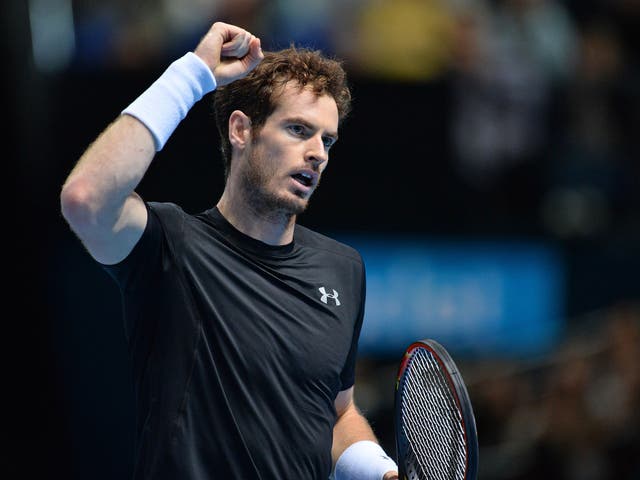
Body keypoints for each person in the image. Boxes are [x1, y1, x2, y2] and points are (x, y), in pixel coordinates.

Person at [60, 21, 399, 480]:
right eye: (299, 130)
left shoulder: (342, 269)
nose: (318, 152)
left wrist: (380, 472)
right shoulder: (171, 247)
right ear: (241, 130)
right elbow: (87, 197)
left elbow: (337, 413)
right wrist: (193, 74)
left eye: (327, 139)